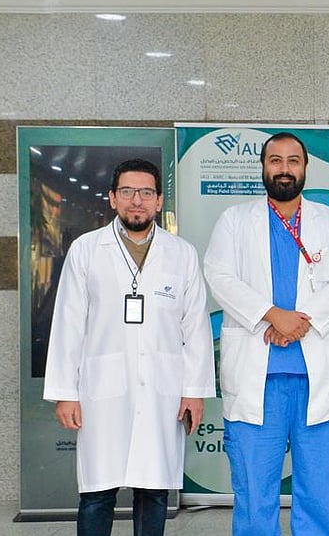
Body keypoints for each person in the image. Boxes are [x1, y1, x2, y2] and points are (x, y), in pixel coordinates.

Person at [43, 158, 215, 536]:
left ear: (159, 201)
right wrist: (65, 393)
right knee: (97, 493)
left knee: (153, 491)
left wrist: (194, 391)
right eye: (127, 192)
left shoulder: (181, 253)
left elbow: (196, 328)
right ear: (112, 198)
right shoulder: (87, 250)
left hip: (162, 391)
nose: (137, 200)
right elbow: (68, 325)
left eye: (146, 193)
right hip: (101, 391)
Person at [203, 133, 329, 536]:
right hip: (257, 377)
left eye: (293, 161)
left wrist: (301, 321)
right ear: (263, 167)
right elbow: (219, 274)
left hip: (315, 376)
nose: (285, 169)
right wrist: (272, 315)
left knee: (322, 491)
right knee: (254, 491)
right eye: (276, 160)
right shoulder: (235, 220)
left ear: (305, 168)